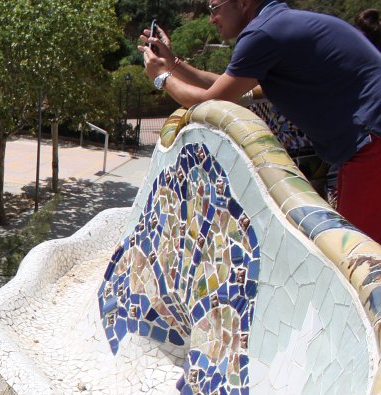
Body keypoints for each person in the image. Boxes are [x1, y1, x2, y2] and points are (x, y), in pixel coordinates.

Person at [139, 0, 381, 242]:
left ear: (243, 3)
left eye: (215, 9)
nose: (211, 19)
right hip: (366, 140)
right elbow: (226, 85)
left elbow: (211, 100)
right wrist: (173, 65)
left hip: (370, 143)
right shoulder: (274, 24)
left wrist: (162, 78)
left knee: (357, 256)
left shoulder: (263, 33)